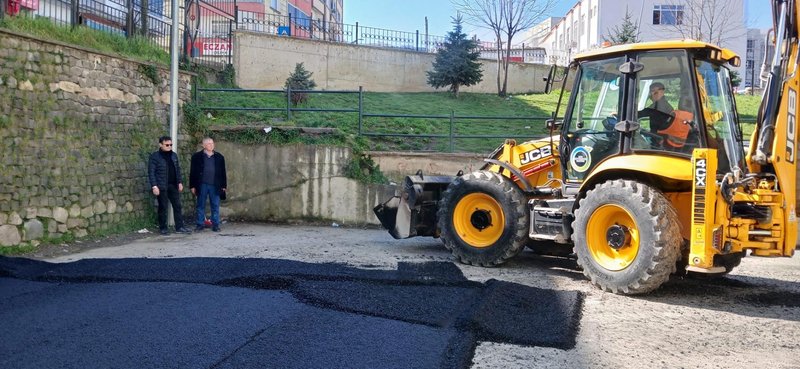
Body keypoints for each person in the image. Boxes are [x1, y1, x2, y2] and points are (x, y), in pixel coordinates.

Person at [148, 136, 192, 235]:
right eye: (167, 145)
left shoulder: (174, 156)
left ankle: (179, 227)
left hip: (173, 185)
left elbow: (177, 170)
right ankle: (163, 228)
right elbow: (151, 172)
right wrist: (154, 186)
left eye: (171, 145)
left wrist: (179, 182)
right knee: (163, 207)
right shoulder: (155, 156)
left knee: (177, 206)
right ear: (160, 145)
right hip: (161, 185)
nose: (169, 146)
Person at [190, 137, 227, 232]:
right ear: (204, 145)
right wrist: (192, 186)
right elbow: (192, 172)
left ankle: (215, 225)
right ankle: (200, 224)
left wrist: (224, 186)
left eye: (212, 143)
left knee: (215, 205)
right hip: (201, 184)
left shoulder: (219, 157)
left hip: (215, 184)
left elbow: (223, 172)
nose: (211, 145)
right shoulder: (196, 157)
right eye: (209, 143)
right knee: (200, 205)